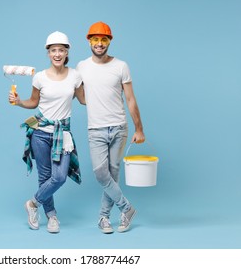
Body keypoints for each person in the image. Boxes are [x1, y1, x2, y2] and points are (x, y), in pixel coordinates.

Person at [8, 31, 85, 233]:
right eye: (53, 51)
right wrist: (18, 102)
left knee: (58, 177)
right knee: (44, 177)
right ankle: (52, 216)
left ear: (67, 52)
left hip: (63, 133)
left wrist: (107, 87)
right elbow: (33, 103)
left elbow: (85, 99)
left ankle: (33, 203)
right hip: (40, 133)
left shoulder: (76, 76)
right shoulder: (40, 77)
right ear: (48, 53)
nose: (57, 54)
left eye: (61, 50)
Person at [76, 21, 145, 234]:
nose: (99, 43)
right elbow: (81, 97)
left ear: (109, 41)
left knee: (113, 175)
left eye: (103, 39)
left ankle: (104, 218)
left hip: (119, 128)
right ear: (89, 41)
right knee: (101, 174)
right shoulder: (81, 67)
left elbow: (131, 99)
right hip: (95, 129)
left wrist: (139, 129)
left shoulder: (121, 66)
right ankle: (127, 209)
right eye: (95, 39)